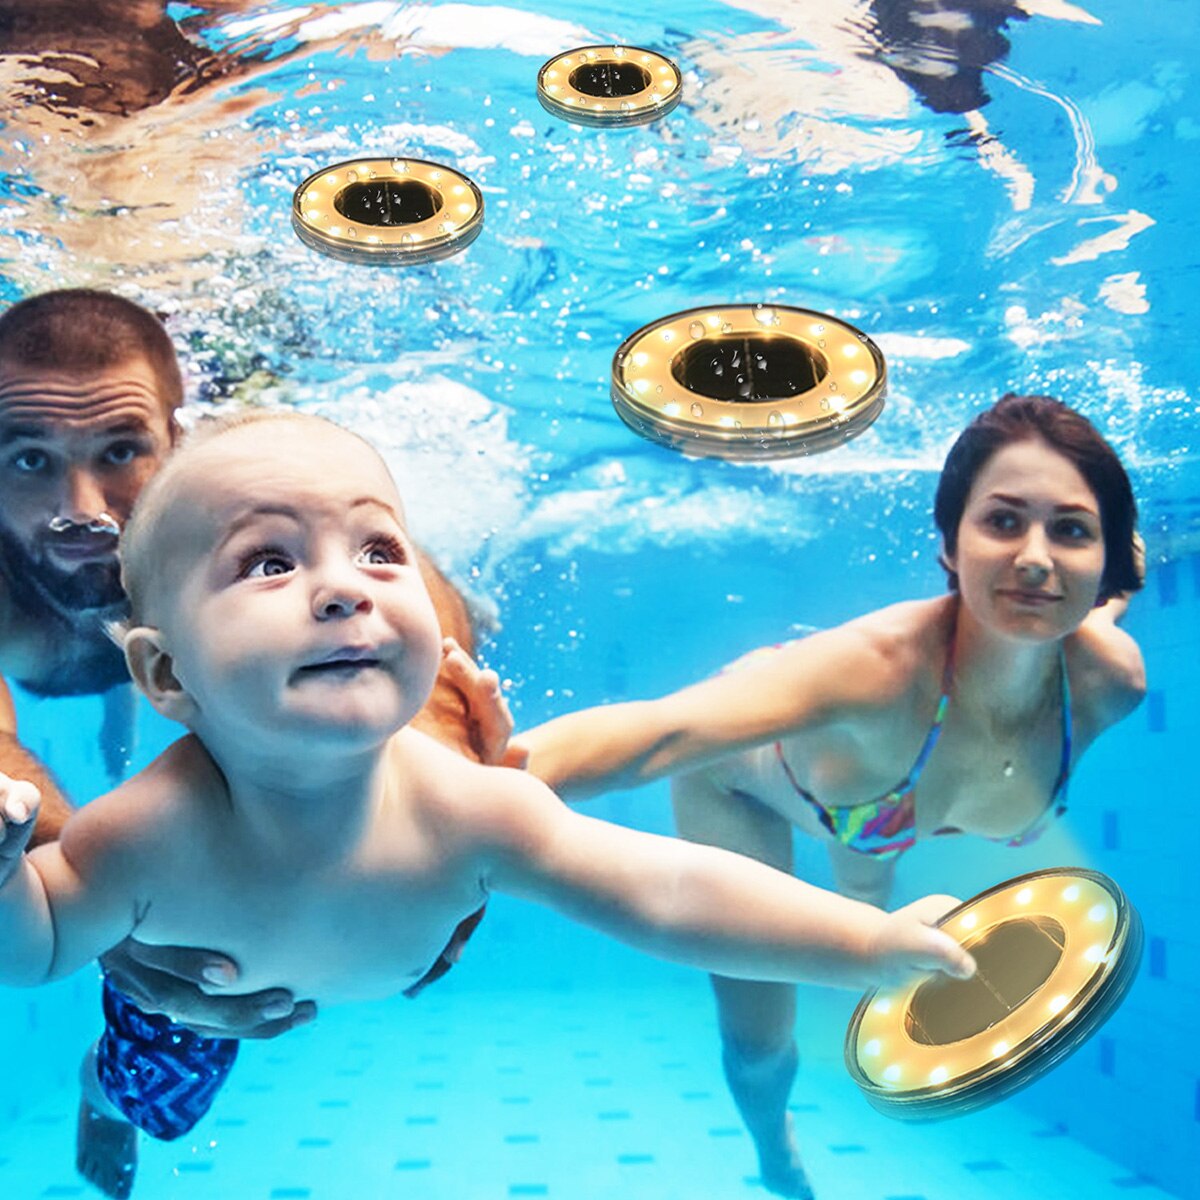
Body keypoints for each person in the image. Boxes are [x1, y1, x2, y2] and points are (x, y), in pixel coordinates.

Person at [0, 411, 976, 1193]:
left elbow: (668, 891)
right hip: (196, 1004)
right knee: (154, 1098)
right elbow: (37, 947)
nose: (345, 588)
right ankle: (100, 1093)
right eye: (269, 562)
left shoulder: (466, 806)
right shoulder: (144, 835)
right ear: (166, 673)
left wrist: (866, 946)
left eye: (380, 549)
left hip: (355, 956)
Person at [514, 394, 1146, 1199]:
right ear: (949, 544)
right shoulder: (873, 669)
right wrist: (458, 778)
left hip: (875, 796)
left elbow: (1100, 600)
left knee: (871, 857)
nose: (1033, 558)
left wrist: (1116, 573)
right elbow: (659, 734)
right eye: (1002, 522)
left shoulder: (1108, 682)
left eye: (1071, 530)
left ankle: (864, 876)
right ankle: (772, 1146)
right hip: (746, 776)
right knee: (758, 1038)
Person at [0, 288, 515, 1198]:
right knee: (167, 1080)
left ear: (178, 443)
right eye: (27, 460)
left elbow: (418, 615)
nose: (78, 510)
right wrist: (100, 894)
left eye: (122, 452)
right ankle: (106, 1092)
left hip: (202, 698)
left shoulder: (229, 510)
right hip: (166, 696)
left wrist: (436, 803)